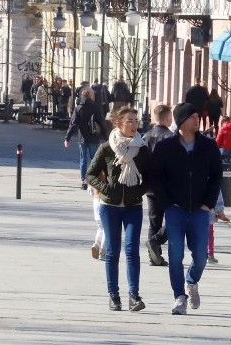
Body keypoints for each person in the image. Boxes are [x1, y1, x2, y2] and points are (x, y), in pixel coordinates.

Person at [150, 103, 222, 315]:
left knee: (200, 255)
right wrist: (167, 203)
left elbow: (216, 175)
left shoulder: (208, 146)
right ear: (181, 121)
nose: (197, 120)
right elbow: (155, 176)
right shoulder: (166, 147)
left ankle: (191, 281)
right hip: (175, 210)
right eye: (192, 116)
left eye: (198, 116)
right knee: (175, 254)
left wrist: (208, 203)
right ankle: (179, 297)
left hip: (200, 210)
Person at [85, 107, 150, 312]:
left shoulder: (142, 149)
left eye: (136, 121)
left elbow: (151, 176)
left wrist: (139, 190)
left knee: (132, 250)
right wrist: (107, 189)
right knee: (112, 251)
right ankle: (114, 295)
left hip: (133, 207)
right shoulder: (107, 148)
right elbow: (90, 174)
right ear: (119, 124)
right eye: (129, 121)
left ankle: (134, 296)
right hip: (110, 207)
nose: (134, 124)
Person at [142, 104, 174, 266]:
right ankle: (156, 241)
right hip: (166, 186)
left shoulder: (146, 136)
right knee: (173, 220)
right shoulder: (170, 137)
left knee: (154, 221)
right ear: (168, 118)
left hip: (150, 186)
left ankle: (154, 256)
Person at [64, 88, 107, 190]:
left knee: (83, 160)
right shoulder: (95, 107)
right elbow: (101, 122)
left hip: (82, 137)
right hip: (93, 137)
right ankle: (93, 180)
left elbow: (73, 124)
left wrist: (67, 138)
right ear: (91, 96)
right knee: (94, 159)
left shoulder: (78, 108)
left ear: (82, 96)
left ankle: (84, 181)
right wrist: (106, 137)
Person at [207, 191, 230, 264]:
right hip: (208, 213)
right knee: (209, 235)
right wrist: (220, 212)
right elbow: (218, 198)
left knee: (201, 235)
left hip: (196, 213)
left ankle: (203, 254)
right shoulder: (212, 180)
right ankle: (210, 254)